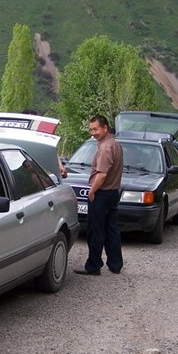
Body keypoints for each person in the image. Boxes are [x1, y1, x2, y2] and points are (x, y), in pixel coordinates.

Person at [74, 115, 124, 276]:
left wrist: (92, 191)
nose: (93, 132)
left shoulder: (105, 148)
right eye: (91, 129)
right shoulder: (115, 144)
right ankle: (115, 264)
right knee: (112, 229)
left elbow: (101, 175)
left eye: (96, 129)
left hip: (102, 194)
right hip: (113, 193)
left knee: (95, 230)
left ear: (105, 128)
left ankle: (93, 265)